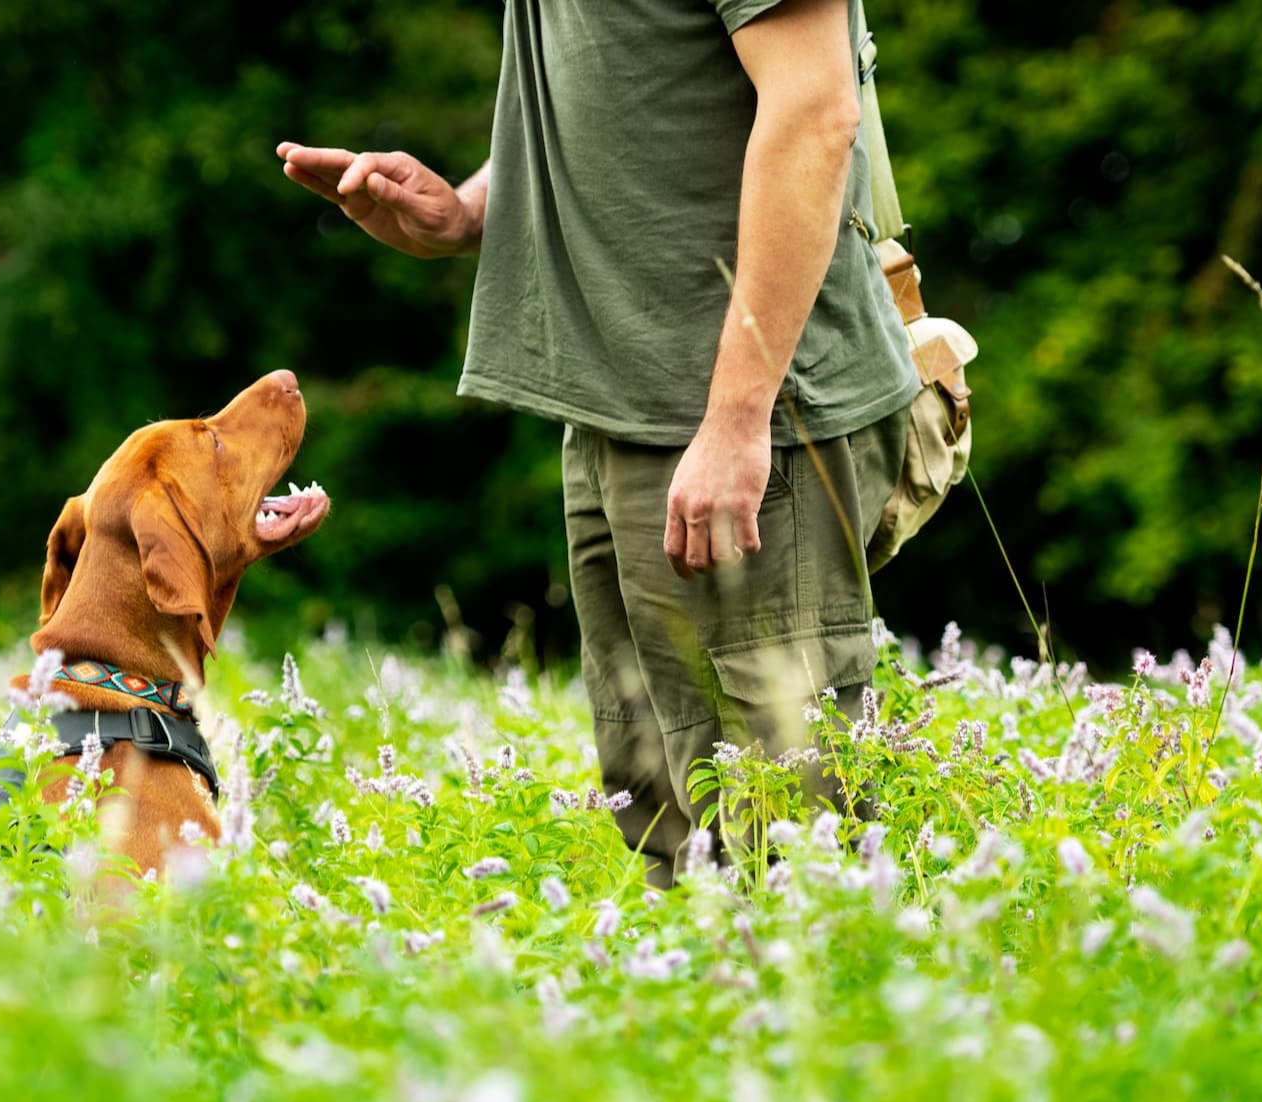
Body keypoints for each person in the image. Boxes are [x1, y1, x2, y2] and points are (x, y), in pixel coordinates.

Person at [277, 0, 920, 887]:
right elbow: (636, 87)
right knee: (670, 838)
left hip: (745, 416)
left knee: (796, 851)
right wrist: (470, 210)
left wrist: (735, 420)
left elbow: (816, 111)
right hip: (624, 412)